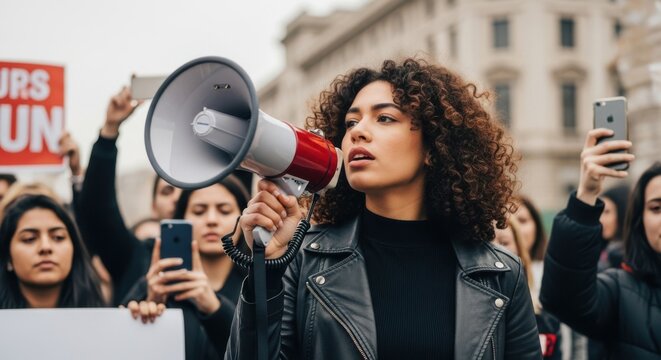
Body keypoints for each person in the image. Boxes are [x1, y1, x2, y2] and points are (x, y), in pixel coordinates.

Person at [225, 58, 541, 359]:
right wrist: (266, 272)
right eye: (350, 122)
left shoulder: (500, 274)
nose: (357, 132)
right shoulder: (302, 259)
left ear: (434, 147)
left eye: (385, 117)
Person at [540, 129, 661, 358]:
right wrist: (586, 195)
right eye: (656, 208)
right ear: (640, 220)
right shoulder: (620, 291)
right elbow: (562, 298)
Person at [123, 176, 249, 359]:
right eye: (199, 212)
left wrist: (215, 308)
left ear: (244, 218)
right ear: (182, 218)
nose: (211, 220)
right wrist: (148, 308)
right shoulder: (156, 283)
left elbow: (261, 348)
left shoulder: (257, 285)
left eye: (224, 210)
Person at [78, 87, 182, 305]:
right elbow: (98, 209)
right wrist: (109, 132)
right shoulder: (134, 256)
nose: (177, 198)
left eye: (187, 193)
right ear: (153, 206)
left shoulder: (236, 254)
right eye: (167, 191)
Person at [0, 194, 104, 308]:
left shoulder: (107, 320)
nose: (46, 247)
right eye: (29, 239)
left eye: (58, 237)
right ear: (8, 257)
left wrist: (126, 319)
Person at [493, 217, 562, 359]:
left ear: (520, 253)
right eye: (486, 242)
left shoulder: (544, 315)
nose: (494, 250)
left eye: (504, 243)